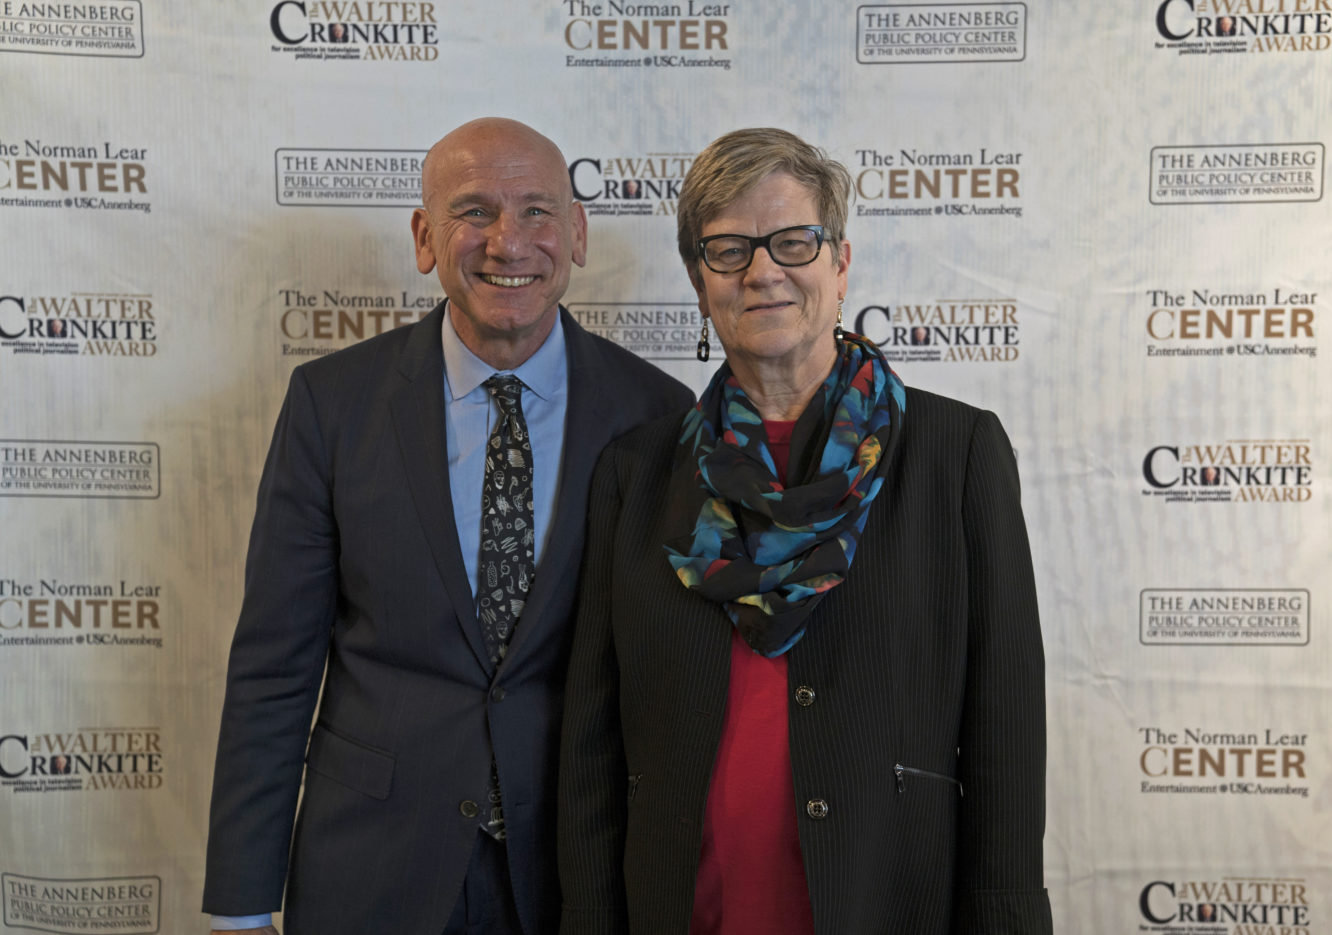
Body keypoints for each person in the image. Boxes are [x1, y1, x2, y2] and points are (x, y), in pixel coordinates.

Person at [203, 118, 692, 935]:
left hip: (575, 877)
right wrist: (242, 905)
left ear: (576, 233)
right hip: (369, 872)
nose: (509, 242)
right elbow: (272, 670)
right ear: (426, 238)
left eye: (538, 210)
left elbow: (668, 681)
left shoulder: (659, 414)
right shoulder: (332, 405)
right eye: (474, 211)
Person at [558, 128, 1050, 934]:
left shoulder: (955, 455)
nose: (762, 271)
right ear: (698, 279)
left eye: (793, 241)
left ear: (840, 264)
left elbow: (1006, 738)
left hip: (886, 904)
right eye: (729, 250)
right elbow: (592, 746)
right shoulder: (637, 473)